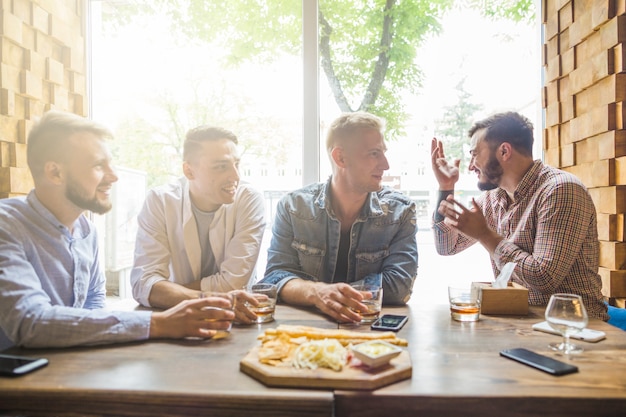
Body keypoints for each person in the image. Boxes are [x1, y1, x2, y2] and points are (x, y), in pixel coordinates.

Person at [0, 110, 244, 350]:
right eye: (98, 165)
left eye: (111, 163)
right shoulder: (6, 225)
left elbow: (93, 309)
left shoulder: (87, 231)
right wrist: (160, 323)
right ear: (55, 172)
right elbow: (28, 321)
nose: (114, 176)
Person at [430, 111, 613, 322]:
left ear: (504, 151)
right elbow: (446, 247)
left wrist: (485, 235)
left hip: (575, 329)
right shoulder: (492, 199)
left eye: (474, 154)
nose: (470, 165)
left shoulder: (561, 190)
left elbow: (543, 277)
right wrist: (446, 187)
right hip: (523, 327)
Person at [261, 111, 418, 323]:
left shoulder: (400, 211)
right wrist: (318, 294)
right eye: (374, 153)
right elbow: (275, 276)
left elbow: (400, 285)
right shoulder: (293, 207)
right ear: (340, 157)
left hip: (369, 329)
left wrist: (321, 294)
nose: (385, 164)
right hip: (303, 329)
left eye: (383, 153)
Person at [130, 125, 266, 310]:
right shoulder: (160, 201)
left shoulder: (249, 199)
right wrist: (203, 297)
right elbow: (144, 285)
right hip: (177, 318)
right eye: (220, 167)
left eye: (237, 164)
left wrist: (170, 293)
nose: (236, 176)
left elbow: (233, 284)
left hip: (237, 318)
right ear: (188, 171)